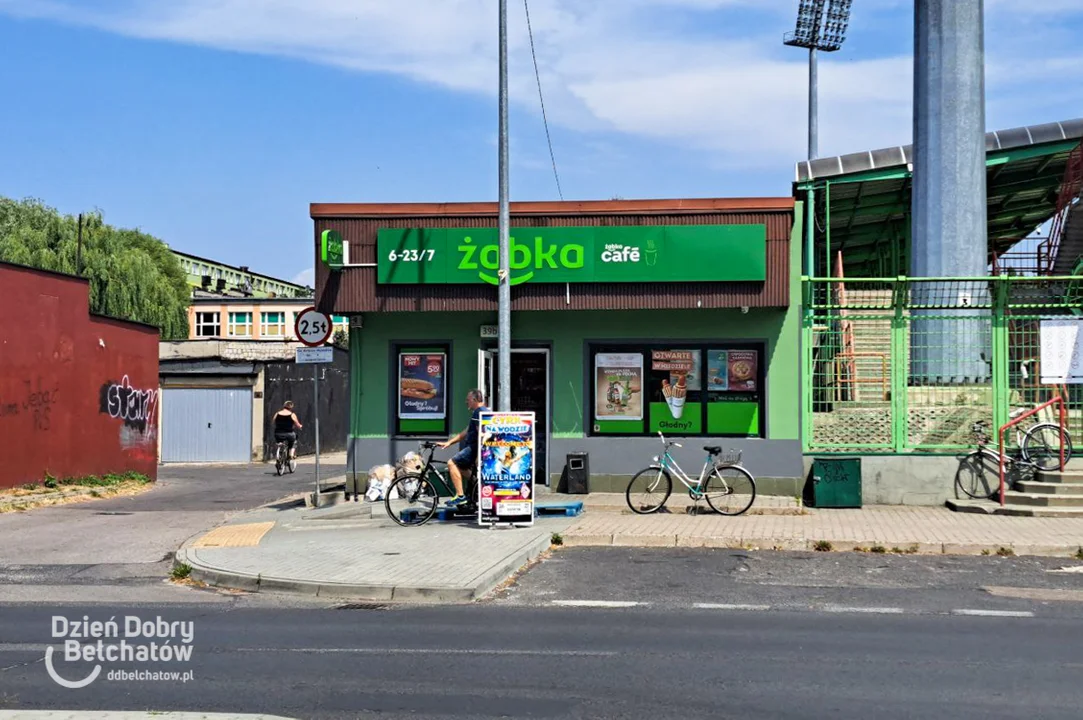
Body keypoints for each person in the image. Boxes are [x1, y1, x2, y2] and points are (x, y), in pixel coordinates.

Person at [438, 389, 489, 507]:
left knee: (452, 463)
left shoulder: (479, 412)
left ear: (475, 400)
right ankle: (477, 485)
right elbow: (466, 431)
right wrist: (449, 443)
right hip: (474, 447)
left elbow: (482, 433)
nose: (466, 402)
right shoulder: (482, 411)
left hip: (473, 447)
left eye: (468, 400)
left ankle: (460, 496)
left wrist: (480, 454)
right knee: (461, 467)